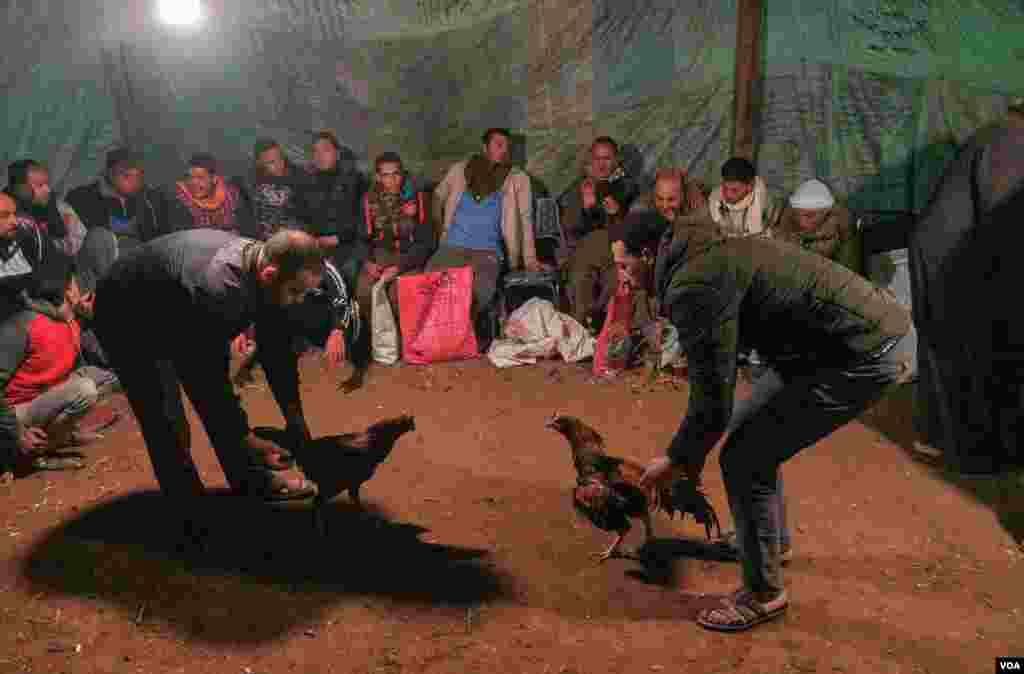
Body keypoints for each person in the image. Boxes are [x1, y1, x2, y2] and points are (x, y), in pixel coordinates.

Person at [635, 224, 911, 632]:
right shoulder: (704, 245)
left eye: (623, 261)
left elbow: (713, 403)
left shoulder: (695, 282)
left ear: (647, 254)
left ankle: (763, 594)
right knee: (751, 430)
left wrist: (677, 460)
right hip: (829, 343)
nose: (620, 273)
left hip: (861, 353)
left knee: (745, 457)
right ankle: (770, 544)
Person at [89, 228, 349, 546]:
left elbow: (276, 354)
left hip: (176, 303)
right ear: (269, 274)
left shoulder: (269, 277)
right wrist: (244, 436)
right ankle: (189, 513)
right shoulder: (218, 287)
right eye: (295, 292)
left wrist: (297, 426)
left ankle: (250, 482)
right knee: (166, 415)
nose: (298, 301)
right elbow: (207, 378)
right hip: (127, 312)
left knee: (217, 407)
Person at [908, 99, 1024, 476]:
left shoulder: (1005, 134)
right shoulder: (1011, 140)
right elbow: (1003, 218)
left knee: (956, 349)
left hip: (956, 252)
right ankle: (972, 453)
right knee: (965, 349)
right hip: (950, 259)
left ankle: (942, 437)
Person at [428, 128, 547, 346]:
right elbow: (437, 196)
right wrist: (439, 230)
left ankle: (459, 338)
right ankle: (439, 339)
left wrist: (529, 259)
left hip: (487, 251)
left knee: (481, 289)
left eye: (507, 147)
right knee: (429, 282)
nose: (504, 151)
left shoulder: (518, 178)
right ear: (485, 147)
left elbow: (525, 219)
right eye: (498, 145)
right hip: (452, 246)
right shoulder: (461, 170)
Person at [0, 253, 108, 477]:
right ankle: (28, 457)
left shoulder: (69, 318)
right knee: (85, 390)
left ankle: (66, 434)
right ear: (69, 289)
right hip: (13, 415)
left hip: (38, 402)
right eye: (76, 281)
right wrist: (17, 433)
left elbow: (106, 360)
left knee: (103, 377)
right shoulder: (24, 325)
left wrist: (93, 317)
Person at [345, 152, 434, 391]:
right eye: (386, 176)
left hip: (409, 256)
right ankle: (380, 345)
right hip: (381, 254)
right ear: (378, 177)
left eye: (395, 174)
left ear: (402, 174)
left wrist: (402, 266)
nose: (391, 180)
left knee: (400, 292)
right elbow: (362, 239)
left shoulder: (418, 197)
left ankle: (409, 346)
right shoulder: (368, 200)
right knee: (364, 289)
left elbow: (426, 242)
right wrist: (367, 262)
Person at [559, 137, 639, 327]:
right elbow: (569, 228)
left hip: (616, 254)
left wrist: (617, 214)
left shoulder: (627, 188)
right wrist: (585, 208)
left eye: (607, 158)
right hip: (583, 253)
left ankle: (599, 326)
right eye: (597, 158)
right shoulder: (579, 188)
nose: (602, 164)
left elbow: (637, 227)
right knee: (580, 277)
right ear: (590, 160)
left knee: (615, 281)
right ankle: (583, 327)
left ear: (617, 160)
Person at [288, 130, 366, 290]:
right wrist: (309, 239)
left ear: (337, 153)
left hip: (347, 245)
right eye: (315, 151)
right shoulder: (306, 182)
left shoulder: (356, 180)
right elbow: (297, 216)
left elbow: (362, 220)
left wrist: (336, 239)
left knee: (342, 276)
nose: (320, 155)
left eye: (325, 150)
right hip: (315, 245)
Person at [65, 148, 178, 252]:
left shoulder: (151, 200)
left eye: (137, 176)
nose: (133, 182)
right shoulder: (81, 198)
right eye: (126, 175)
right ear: (109, 173)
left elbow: (164, 239)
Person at [769, 179, 862, 274]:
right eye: (800, 214)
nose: (805, 221)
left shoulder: (842, 226)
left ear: (828, 211)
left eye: (811, 215)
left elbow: (848, 274)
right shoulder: (779, 226)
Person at [679, 157, 779, 238]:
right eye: (725, 188)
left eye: (734, 190)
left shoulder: (758, 194)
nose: (728, 195)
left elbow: (755, 232)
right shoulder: (716, 197)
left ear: (750, 186)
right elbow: (718, 223)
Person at [5, 159, 87, 257]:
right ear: (19, 188)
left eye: (46, 184)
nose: (47, 190)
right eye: (39, 185)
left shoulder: (60, 208)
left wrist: (52, 212)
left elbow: (77, 245)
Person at [171, 153, 257, 236]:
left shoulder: (232, 196)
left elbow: (247, 229)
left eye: (200, 178)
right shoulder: (179, 200)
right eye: (190, 178)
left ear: (214, 179)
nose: (194, 183)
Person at [241, 139, 307, 241]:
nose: (279, 165)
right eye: (271, 162)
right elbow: (246, 217)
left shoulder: (299, 177)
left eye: (280, 159)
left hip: (292, 237)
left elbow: (307, 215)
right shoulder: (249, 182)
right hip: (261, 238)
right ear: (260, 163)